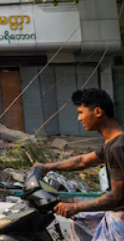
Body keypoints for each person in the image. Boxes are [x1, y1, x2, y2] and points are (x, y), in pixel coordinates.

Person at [35, 88, 124, 240]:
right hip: (116, 215)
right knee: (81, 222)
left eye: (81, 112)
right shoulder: (112, 143)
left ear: (97, 112)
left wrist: (74, 207)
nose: (79, 118)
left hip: (120, 221)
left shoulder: (117, 148)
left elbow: (117, 198)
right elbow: (82, 160)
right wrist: (46, 167)